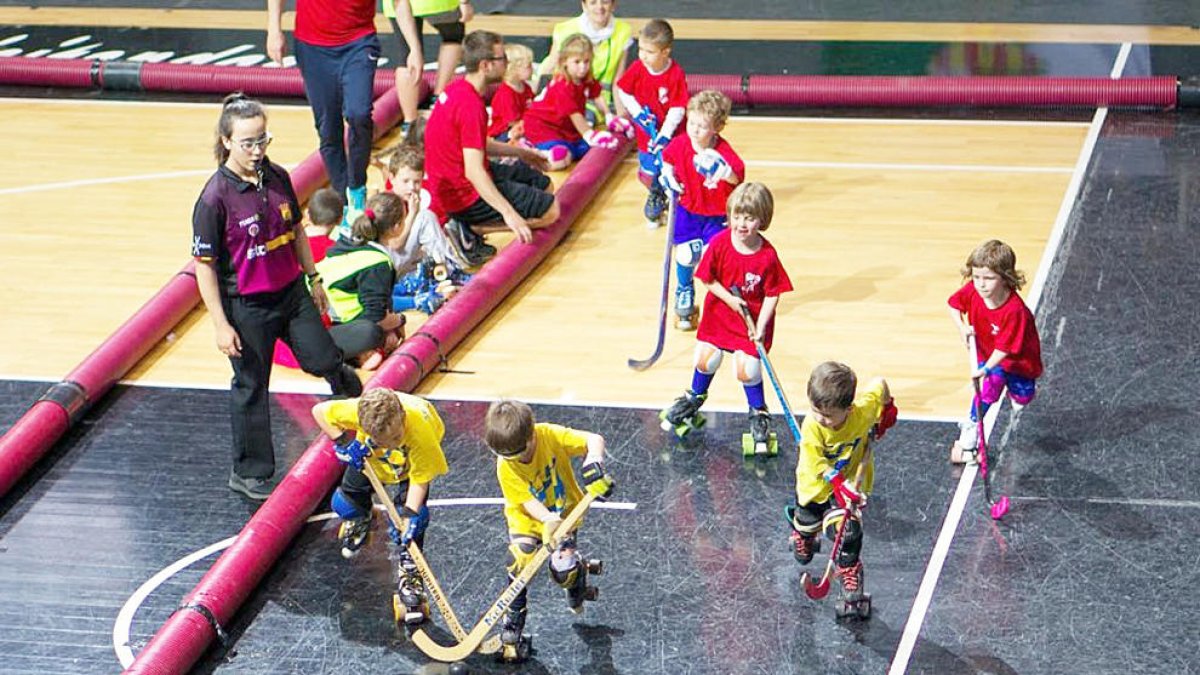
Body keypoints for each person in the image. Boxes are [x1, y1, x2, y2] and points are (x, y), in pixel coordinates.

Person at [192, 93, 363, 501]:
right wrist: (220, 323)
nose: (256, 151)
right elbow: (204, 266)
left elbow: (298, 231)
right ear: (227, 141)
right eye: (248, 143)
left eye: (262, 140)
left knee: (323, 358)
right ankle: (249, 472)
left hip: (291, 293)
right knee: (251, 385)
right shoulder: (213, 199)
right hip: (247, 306)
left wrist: (314, 279)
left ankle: (345, 390)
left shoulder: (279, 177)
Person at [266, 0, 424, 240]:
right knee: (328, 128)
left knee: (359, 114)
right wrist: (273, 29)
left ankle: (357, 189)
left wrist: (414, 47)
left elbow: (400, 2)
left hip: (358, 42)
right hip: (312, 46)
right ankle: (343, 200)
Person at [658, 182, 792, 452]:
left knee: (747, 369)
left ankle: (758, 414)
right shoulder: (720, 243)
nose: (742, 224)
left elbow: (773, 294)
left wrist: (762, 327)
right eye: (737, 216)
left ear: (762, 220)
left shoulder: (767, 256)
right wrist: (729, 299)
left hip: (750, 322)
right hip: (720, 313)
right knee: (706, 359)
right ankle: (694, 398)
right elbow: (707, 278)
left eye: (750, 218)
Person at [483, 399, 614, 662]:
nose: (515, 459)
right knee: (519, 560)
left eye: (519, 452)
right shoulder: (505, 464)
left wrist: (594, 461)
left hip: (565, 518)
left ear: (531, 435)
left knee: (563, 572)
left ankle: (576, 580)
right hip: (528, 521)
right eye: (508, 456)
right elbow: (527, 502)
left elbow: (593, 439)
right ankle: (513, 625)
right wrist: (547, 519)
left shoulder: (549, 435)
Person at [424, 30, 561, 265]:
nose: (506, 63)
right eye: (502, 59)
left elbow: (473, 143)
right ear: (486, 65)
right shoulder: (471, 105)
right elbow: (474, 172)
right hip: (462, 194)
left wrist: (520, 152)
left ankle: (470, 225)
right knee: (552, 212)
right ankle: (471, 228)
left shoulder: (456, 89)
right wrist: (510, 215)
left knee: (544, 184)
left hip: (455, 179)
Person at [312, 388, 449, 624]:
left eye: (397, 437)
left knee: (414, 524)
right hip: (373, 458)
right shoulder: (358, 412)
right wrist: (344, 442)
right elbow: (320, 412)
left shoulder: (419, 431)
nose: (394, 442)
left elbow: (420, 481)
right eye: (387, 440)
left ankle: (411, 573)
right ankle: (363, 518)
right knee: (344, 503)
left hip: (411, 465)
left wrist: (409, 514)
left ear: (403, 417)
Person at [788, 361, 897, 616]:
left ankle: (849, 570)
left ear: (848, 409)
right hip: (815, 484)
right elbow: (816, 463)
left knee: (848, 530)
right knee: (806, 521)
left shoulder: (863, 412)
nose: (821, 419)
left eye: (828, 415)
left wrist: (888, 408)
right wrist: (838, 483)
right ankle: (803, 536)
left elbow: (880, 383)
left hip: (848, 485)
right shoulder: (812, 427)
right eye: (816, 410)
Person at [947, 239, 1043, 463]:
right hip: (990, 359)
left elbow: (1005, 348)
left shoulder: (1015, 311)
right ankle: (968, 438)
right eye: (977, 277)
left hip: (1018, 362)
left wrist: (984, 369)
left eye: (989, 278)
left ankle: (1014, 391)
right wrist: (962, 328)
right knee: (987, 392)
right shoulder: (973, 291)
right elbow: (953, 305)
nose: (981, 284)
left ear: (1005, 278)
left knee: (1023, 397)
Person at [659, 90, 744, 330]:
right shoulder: (680, 144)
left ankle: (722, 300)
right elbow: (667, 160)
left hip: (716, 216)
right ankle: (684, 290)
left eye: (702, 126)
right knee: (686, 255)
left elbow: (737, 176)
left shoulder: (723, 151)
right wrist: (666, 177)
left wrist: (726, 172)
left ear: (716, 128)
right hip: (687, 211)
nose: (694, 130)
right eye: (691, 123)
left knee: (714, 259)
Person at [316, 192, 408, 371]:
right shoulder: (378, 262)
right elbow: (375, 318)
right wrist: (400, 320)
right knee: (373, 333)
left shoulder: (346, 241)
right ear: (396, 227)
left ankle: (362, 353)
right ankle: (361, 354)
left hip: (328, 323)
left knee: (383, 330)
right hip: (323, 331)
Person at [614, 18, 688, 228]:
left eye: (649, 52)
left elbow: (677, 108)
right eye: (641, 49)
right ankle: (656, 193)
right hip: (647, 135)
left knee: (677, 169)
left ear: (665, 52)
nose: (643, 56)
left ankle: (680, 204)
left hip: (673, 135)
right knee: (649, 172)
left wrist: (665, 134)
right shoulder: (638, 68)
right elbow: (624, 91)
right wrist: (637, 114)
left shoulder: (675, 74)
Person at [522, 33, 620, 170]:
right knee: (562, 159)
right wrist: (590, 135)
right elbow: (575, 115)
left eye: (587, 62)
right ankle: (534, 154)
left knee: (585, 150)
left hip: (566, 129)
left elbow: (596, 95)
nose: (583, 67)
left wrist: (609, 116)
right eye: (577, 62)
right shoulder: (562, 85)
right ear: (564, 62)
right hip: (543, 128)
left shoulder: (585, 78)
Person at [272, 186, 343, 369]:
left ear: (307, 215)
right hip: (317, 336)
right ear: (340, 220)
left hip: (279, 343)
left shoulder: (284, 247)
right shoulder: (337, 251)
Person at [535, 0, 633, 123]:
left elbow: (618, 81)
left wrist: (621, 116)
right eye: (593, 2)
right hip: (565, 95)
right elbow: (550, 67)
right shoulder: (565, 29)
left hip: (598, 101)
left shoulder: (623, 31)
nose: (599, 7)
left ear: (613, 5)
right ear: (584, 5)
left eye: (605, 2)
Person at [389, 0, 473, 138]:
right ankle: (438, 98)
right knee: (454, 36)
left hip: (397, 5)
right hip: (437, 3)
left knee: (406, 53)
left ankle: (409, 122)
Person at [487, 43, 536, 143]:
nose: (532, 69)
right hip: (503, 132)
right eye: (528, 66)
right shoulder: (506, 93)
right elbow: (511, 121)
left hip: (523, 126)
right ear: (513, 68)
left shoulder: (526, 88)